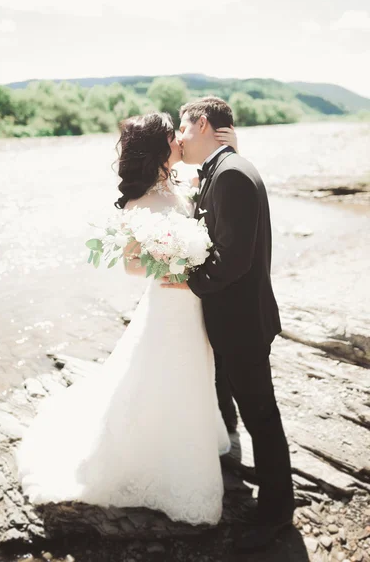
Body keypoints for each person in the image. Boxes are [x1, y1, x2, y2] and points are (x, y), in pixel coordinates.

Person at [16, 112, 237, 526]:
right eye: (172, 135)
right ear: (159, 146)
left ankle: (191, 447)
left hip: (195, 306)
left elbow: (220, 197)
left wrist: (232, 150)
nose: (178, 140)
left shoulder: (185, 185)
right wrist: (174, 267)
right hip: (165, 306)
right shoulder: (138, 203)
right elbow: (132, 266)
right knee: (158, 377)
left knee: (193, 374)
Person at [162, 97, 295, 550]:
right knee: (240, 405)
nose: (179, 137)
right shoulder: (224, 169)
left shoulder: (233, 173)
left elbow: (233, 259)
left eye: (182, 127)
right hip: (234, 319)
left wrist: (188, 283)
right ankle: (231, 456)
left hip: (241, 322)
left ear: (202, 124)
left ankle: (277, 512)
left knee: (263, 415)